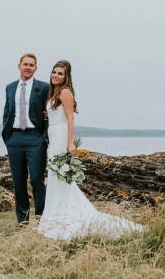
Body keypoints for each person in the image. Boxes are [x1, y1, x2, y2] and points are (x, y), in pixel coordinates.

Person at [37, 60, 145, 240]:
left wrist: (70, 143)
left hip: (62, 136)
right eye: (54, 72)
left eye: (60, 73)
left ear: (66, 77)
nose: (55, 75)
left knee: (61, 176)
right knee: (56, 176)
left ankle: (63, 217)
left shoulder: (65, 92)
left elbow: (70, 119)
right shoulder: (54, 92)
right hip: (54, 136)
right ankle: (54, 216)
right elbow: (57, 115)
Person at [2, 53, 50, 227]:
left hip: (35, 138)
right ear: (19, 66)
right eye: (25, 64)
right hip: (14, 138)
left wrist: (44, 136)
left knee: (37, 178)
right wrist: (7, 135)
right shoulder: (10, 87)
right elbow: (7, 111)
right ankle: (22, 221)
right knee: (18, 180)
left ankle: (41, 218)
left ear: (35, 68)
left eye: (32, 65)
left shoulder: (43, 87)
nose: (28, 67)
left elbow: (50, 112)